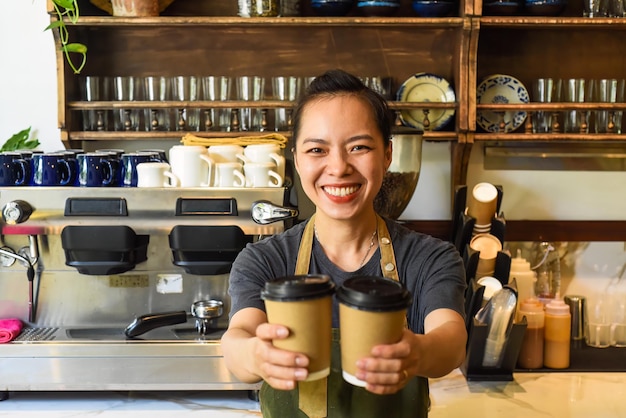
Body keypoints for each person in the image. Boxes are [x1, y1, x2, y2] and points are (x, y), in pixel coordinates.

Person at [221, 69, 467, 417]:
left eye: (359, 147)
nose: (338, 167)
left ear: (387, 155)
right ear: (297, 159)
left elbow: (451, 339)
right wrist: (254, 355)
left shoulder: (429, 258)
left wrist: (419, 353)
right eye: (317, 149)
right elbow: (238, 338)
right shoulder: (265, 260)